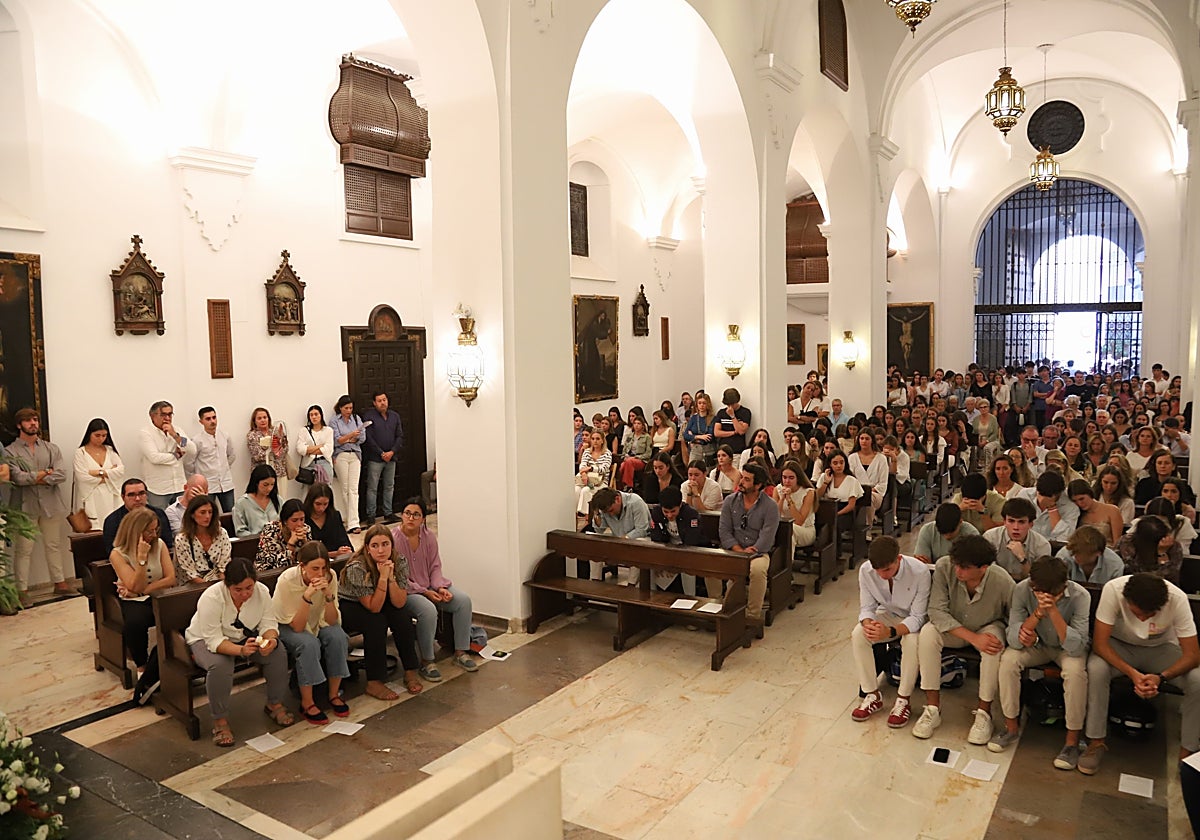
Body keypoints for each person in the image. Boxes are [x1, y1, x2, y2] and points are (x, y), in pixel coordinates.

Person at [1081, 573, 1200, 774]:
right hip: (1119, 647)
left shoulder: (1177, 599)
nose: (1143, 619)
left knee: (1197, 680)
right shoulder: (1113, 590)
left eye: (1150, 614)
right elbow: (1100, 644)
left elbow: (1193, 655)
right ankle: (1096, 741)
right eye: (1138, 614)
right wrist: (1133, 674)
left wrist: (1161, 677)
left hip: (1161, 648)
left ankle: (1187, 752)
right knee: (1096, 668)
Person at [913, 534, 1015, 744]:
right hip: (953, 625)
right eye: (956, 564)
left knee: (993, 645)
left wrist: (992, 637)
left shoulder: (1003, 580)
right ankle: (932, 709)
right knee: (928, 633)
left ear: (983, 568)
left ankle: (983, 713)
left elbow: (1013, 618)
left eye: (965, 567)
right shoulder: (944, 567)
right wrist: (972, 638)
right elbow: (936, 611)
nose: (958, 571)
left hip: (988, 624)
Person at [990, 556, 1090, 763]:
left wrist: (1053, 611)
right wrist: (1035, 616)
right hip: (1038, 644)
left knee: (1075, 673)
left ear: (1063, 586)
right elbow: (1013, 638)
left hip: (1066, 648)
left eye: (1050, 594)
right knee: (1009, 660)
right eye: (1037, 591)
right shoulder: (1022, 589)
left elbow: (1076, 646)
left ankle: (1072, 742)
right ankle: (1011, 728)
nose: (1041, 596)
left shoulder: (1081, 596)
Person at [185, 557, 294, 746]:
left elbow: (268, 623)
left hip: (243, 638)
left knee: (278, 652)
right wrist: (241, 650)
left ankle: (274, 703)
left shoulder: (261, 592)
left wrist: (270, 641)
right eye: (238, 589)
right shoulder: (212, 597)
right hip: (205, 639)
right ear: (227, 584)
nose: (245, 594)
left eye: (249, 588)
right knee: (220, 665)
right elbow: (213, 640)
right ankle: (220, 720)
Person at [394, 498, 478, 678]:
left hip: (431, 585)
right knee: (428, 610)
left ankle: (460, 651)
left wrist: (440, 587)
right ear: (402, 515)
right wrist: (425, 592)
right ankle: (427, 661)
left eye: (416, 515)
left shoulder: (428, 536)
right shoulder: (394, 540)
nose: (411, 518)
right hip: (407, 592)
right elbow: (399, 577)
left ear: (423, 518)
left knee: (463, 601)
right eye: (407, 513)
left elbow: (435, 566)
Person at [850, 537, 930, 728]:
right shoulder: (866, 570)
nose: (882, 575)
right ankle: (872, 694)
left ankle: (903, 699)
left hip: (912, 619)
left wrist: (890, 631)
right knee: (859, 633)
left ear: (899, 559)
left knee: (911, 642)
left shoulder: (920, 572)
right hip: (887, 614)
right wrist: (869, 624)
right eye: (878, 570)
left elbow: (919, 616)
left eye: (887, 570)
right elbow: (867, 607)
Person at [339, 524, 424, 698]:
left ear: (392, 545)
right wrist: (383, 577)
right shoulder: (357, 567)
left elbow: (399, 602)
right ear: (368, 549)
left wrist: (390, 577)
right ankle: (374, 682)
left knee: (402, 617)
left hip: (382, 594)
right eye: (375, 546)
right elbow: (373, 606)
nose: (381, 550)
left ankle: (410, 670)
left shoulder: (398, 561)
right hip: (351, 603)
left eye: (385, 544)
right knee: (375, 622)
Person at [272, 541, 351, 724]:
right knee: (308, 643)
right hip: (287, 625)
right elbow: (297, 626)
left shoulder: (330, 576)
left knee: (337, 636)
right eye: (315, 568)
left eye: (324, 567)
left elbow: (331, 620)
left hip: (317, 621)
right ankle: (307, 703)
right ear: (302, 566)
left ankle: (333, 694)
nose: (320, 573)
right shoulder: (287, 580)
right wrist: (307, 596)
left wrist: (328, 596)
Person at [109, 507, 177, 704]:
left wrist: (143, 590)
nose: (153, 535)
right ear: (135, 531)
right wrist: (140, 558)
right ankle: (142, 666)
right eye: (149, 531)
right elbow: (133, 585)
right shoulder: (117, 554)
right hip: (134, 601)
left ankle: (171, 660)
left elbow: (170, 578)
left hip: (158, 595)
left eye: (156, 530)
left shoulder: (160, 544)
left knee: (178, 615)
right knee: (135, 623)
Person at [9, 408, 71, 603]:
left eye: (35, 419)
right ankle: (22, 591)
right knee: (23, 550)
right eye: (28, 421)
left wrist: (35, 477)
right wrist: (45, 473)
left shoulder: (51, 448)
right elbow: (18, 478)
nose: (33, 423)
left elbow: (61, 474)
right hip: (25, 506)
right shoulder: (11, 451)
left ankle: (60, 584)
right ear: (20, 425)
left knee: (53, 545)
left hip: (51, 505)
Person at [715, 463, 780, 626]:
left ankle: (752, 616)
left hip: (758, 551)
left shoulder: (770, 506)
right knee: (711, 562)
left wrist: (752, 551)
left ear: (758, 485)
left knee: (757, 570)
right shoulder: (730, 501)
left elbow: (767, 536)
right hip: (733, 549)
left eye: (746, 479)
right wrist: (737, 550)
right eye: (742, 477)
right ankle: (718, 608)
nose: (741, 481)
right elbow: (724, 530)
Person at [138, 400, 195, 508]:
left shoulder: (177, 430)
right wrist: (176, 456)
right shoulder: (145, 433)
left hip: (179, 485)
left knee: (183, 519)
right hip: (158, 488)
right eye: (163, 414)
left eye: (170, 414)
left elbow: (192, 449)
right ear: (152, 416)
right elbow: (155, 458)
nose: (167, 418)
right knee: (160, 521)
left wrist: (175, 435)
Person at [982, 497, 1052, 582]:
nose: (1016, 527)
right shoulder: (990, 538)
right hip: (997, 583)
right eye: (1011, 521)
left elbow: (1038, 580)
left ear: (1031, 524)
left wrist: (1023, 559)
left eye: (1021, 522)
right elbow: (985, 572)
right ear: (1004, 521)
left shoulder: (1042, 545)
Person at [72, 418, 125, 529]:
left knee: (114, 527)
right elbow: (82, 477)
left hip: (111, 496)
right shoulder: (81, 453)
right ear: (89, 434)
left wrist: (97, 472)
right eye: (97, 435)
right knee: (94, 531)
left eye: (104, 435)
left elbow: (120, 471)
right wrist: (109, 474)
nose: (101, 439)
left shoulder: (110, 450)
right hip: (91, 497)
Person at [815, 451, 866, 564]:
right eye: (835, 463)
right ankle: (817, 553)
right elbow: (817, 496)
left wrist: (837, 514)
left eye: (841, 462)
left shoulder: (851, 480)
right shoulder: (825, 477)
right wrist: (826, 482)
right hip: (827, 509)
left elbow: (851, 505)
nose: (838, 466)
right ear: (830, 465)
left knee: (835, 524)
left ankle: (835, 555)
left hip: (844, 512)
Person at [363, 391, 405, 524]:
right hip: (375, 458)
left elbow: (399, 436)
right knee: (372, 487)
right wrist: (381, 453)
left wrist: (392, 452)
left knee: (389, 486)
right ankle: (371, 515)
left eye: (384, 400)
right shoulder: (369, 417)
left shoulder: (394, 416)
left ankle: (388, 512)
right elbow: (368, 438)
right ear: (374, 403)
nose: (383, 403)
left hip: (391, 458)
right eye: (379, 401)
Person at [103, 478, 172, 555]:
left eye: (141, 493)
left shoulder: (158, 514)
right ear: (123, 497)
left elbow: (167, 543)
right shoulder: (112, 520)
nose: (137, 499)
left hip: (157, 556)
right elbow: (112, 551)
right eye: (131, 495)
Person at [187, 406, 236, 513]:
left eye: (214, 417)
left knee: (231, 514)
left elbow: (231, 455)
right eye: (208, 419)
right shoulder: (197, 440)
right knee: (208, 514)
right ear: (201, 421)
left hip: (226, 483)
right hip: (207, 486)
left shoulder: (225, 436)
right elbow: (189, 463)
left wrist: (224, 468)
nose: (212, 421)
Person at [174, 494, 232, 584]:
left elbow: (224, 566)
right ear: (192, 515)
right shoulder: (182, 539)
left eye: (210, 512)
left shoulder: (221, 533)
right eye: (203, 512)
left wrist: (221, 586)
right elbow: (190, 574)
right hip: (192, 587)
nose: (207, 516)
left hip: (219, 582)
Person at [329, 395, 367, 533]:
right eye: (346, 408)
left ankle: (354, 522)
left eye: (351, 408)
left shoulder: (356, 419)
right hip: (341, 455)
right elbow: (337, 440)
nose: (349, 410)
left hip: (355, 454)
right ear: (340, 408)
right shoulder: (334, 421)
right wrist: (351, 436)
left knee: (354, 489)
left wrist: (349, 439)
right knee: (345, 489)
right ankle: (349, 521)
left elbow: (362, 437)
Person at [1117, 515, 1181, 584]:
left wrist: (1161, 553)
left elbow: (1169, 576)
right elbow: (1134, 572)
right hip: (1131, 583)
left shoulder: (1172, 545)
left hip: (1163, 586)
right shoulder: (1127, 542)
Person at [913, 503, 980, 565]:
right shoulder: (927, 530)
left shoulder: (972, 534)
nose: (947, 537)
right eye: (942, 533)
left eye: (951, 532)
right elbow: (922, 561)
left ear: (960, 522)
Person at [256, 498, 312, 571]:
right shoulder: (271, 529)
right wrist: (291, 544)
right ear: (285, 521)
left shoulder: (306, 529)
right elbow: (276, 564)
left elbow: (311, 558)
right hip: (269, 571)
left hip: (297, 570)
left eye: (302, 519)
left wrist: (305, 543)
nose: (299, 524)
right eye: (294, 520)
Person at [1057, 525, 1124, 585]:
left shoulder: (1115, 566)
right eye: (1074, 552)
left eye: (1080, 553)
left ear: (1098, 553)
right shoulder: (1063, 556)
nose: (1074, 556)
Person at [246, 407, 290, 499]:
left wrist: (279, 445)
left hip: (279, 472)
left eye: (265, 417)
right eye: (259, 418)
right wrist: (271, 449)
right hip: (262, 474)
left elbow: (285, 450)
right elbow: (257, 456)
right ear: (254, 421)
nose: (263, 420)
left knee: (281, 499)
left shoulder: (276, 432)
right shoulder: (252, 435)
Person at [1066, 479, 1123, 547]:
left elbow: (1117, 542)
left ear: (1090, 494)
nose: (1079, 503)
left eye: (1082, 499)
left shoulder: (1112, 510)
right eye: (1075, 501)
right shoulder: (1077, 515)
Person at [303, 483, 352, 559]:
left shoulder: (334, 516)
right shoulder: (303, 519)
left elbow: (343, 539)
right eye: (318, 504)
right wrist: (335, 553)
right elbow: (306, 552)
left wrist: (345, 550)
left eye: (325, 504)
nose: (321, 508)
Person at [775, 461, 816, 549]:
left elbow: (799, 521)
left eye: (791, 478)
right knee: (786, 532)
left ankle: (786, 562)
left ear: (798, 477)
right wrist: (782, 498)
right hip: (783, 528)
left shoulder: (808, 492)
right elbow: (775, 515)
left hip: (805, 529)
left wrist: (789, 498)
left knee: (789, 530)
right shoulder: (777, 489)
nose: (787, 481)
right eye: (784, 477)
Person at [233, 464, 282, 537]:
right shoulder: (242, 503)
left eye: (272, 484)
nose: (269, 488)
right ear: (256, 483)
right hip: (254, 543)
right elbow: (240, 531)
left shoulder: (278, 500)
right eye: (265, 485)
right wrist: (261, 537)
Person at [296, 404, 335, 489]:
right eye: (311, 415)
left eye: (316, 414)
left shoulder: (328, 430)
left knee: (326, 490)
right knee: (308, 492)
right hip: (308, 464)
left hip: (324, 462)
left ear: (321, 415)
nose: (314, 417)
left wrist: (309, 450)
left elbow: (328, 450)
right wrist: (320, 446)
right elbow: (300, 449)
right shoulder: (304, 431)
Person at [575, 429, 613, 516]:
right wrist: (584, 473)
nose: (595, 441)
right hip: (585, 480)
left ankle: (586, 515)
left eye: (597, 439)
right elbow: (582, 465)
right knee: (576, 490)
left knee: (586, 490)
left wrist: (591, 468)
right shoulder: (587, 452)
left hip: (600, 482)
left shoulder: (607, 453)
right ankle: (573, 514)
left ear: (602, 440)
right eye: (593, 439)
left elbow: (603, 469)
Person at [618, 414, 653, 490]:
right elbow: (624, 449)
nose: (636, 425)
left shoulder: (647, 437)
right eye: (635, 423)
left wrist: (636, 457)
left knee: (629, 461)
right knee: (622, 466)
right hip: (629, 458)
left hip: (641, 460)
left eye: (639, 423)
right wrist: (624, 456)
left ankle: (629, 486)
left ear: (643, 426)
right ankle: (620, 487)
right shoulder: (630, 436)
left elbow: (648, 454)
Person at [713, 387, 751, 454]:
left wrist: (733, 416)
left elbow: (741, 431)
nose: (730, 406)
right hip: (723, 451)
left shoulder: (745, 412)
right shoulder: (721, 413)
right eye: (728, 404)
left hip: (737, 451)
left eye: (732, 404)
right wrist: (733, 432)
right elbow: (717, 432)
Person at [683, 393, 717, 467]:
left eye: (704, 403)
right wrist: (699, 437)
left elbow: (709, 437)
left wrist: (692, 436)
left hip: (708, 450)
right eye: (699, 403)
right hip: (695, 449)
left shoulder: (712, 418)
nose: (701, 405)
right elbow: (685, 435)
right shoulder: (694, 418)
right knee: (692, 469)